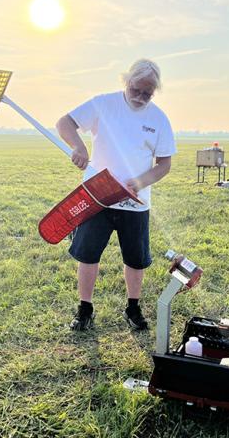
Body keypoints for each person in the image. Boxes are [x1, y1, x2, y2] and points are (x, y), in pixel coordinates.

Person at [56, 59, 176, 331]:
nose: (141, 97)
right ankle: (84, 309)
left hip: (135, 203)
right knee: (88, 254)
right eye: (137, 90)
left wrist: (140, 182)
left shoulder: (158, 118)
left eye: (148, 93)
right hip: (97, 196)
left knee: (136, 259)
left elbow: (165, 164)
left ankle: (133, 308)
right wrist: (79, 147)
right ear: (126, 81)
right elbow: (64, 123)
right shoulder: (103, 104)